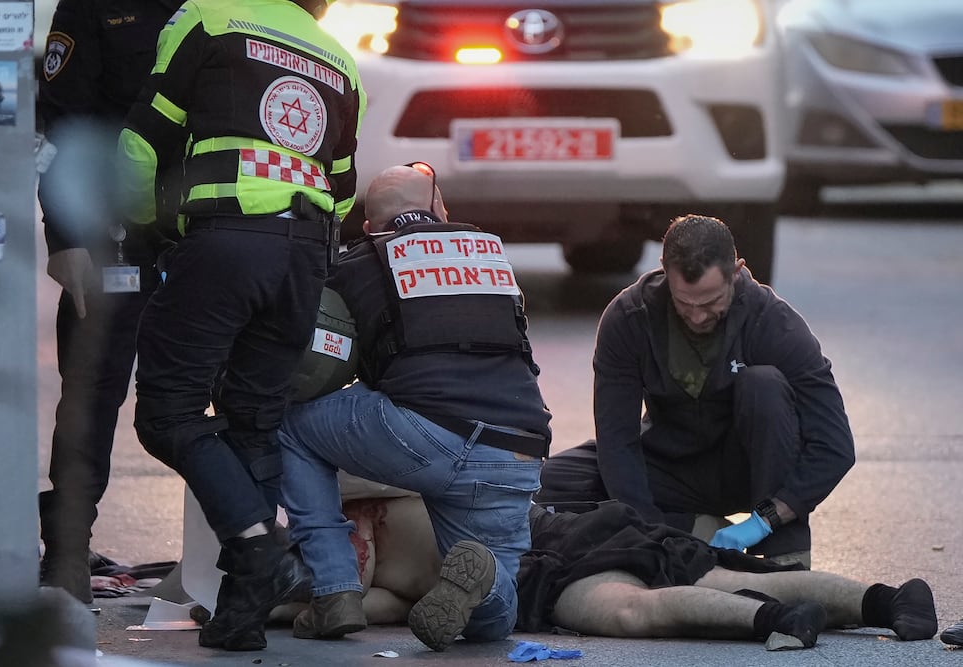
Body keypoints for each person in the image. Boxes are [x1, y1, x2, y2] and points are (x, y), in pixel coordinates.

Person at [114, 0, 365, 652]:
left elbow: (139, 147)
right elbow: (341, 190)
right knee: (253, 420)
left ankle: (261, 542)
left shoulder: (207, 18)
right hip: (304, 259)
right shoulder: (338, 61)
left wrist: (145, 230)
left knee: (166, 412)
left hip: (227, 240)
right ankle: (240, 616)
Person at [278, 164, 551, 651]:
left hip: (421, 432)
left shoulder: (359, 260)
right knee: (494, 615)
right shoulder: (490, 253)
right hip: (515, 450)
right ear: (440, 209)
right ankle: (482, 584)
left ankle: (335, 590)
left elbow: (316, 347)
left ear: (368, 226)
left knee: (288, 429)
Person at [534, 214, 856, 567]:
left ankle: (781, 553)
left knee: (763, 385)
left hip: (751, 469)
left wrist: (768, 518)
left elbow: (834, 446)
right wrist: (650, 533)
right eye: (684, 303)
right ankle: (693, 531)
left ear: (737, 272)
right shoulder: (629, 317)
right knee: (546, 484)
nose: (698, 316)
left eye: (710, 302)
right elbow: (618, 440)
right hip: (673, 468)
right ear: (665, 273)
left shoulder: (774, 323)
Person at [276, 492, 937, 650]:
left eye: (340, 543)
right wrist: (280, 609)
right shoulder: (379, 587)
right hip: (550, 583)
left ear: (355, 519)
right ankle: (779, 619)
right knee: (633, 611)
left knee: (716, 575)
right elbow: (361, 612)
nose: (346, 563)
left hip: (564, 534)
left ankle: (887, 599)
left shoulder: (389, 491)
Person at [36, 0, 183, 604]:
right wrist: (64, 237)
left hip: (206, 235)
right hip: (111, 234)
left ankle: (240, 549)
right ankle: (67, 551)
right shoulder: (95, 7)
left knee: (215, 401)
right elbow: (60, 123)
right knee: (92, 394)